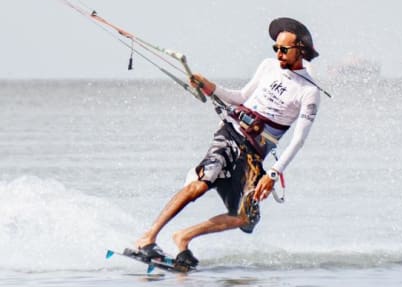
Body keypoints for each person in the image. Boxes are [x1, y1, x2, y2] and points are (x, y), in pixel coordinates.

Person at [134, 17, 324, 268]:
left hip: (254, 153)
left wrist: (274, 174)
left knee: (244, 217)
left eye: (284, 49)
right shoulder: (268, 66)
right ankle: (147, 238)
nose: (278, 53)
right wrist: (210, 87)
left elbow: (299, 139)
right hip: (231, 134)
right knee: (201, 183)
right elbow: (241, 97)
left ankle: (183, 238)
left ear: (300, 50)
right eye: (275, 48)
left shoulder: (309, 91)